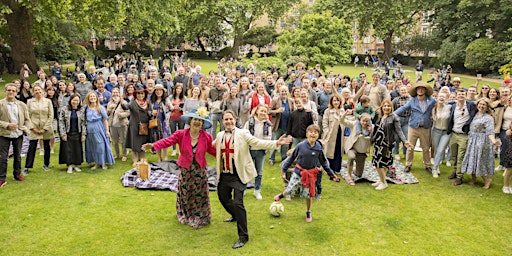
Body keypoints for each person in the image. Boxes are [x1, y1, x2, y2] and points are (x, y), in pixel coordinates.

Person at [214, 110, 291, 249]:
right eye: (226, 120)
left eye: (230, 119)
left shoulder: (243, 133)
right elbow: (212, 146)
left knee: (238, 203)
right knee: (223, 198)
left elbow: (258, 142)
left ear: (235, 119)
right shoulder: (219, 135)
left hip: (239, 174)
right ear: (222, 121)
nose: (229, 122)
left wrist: (276, 143)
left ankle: (243, 237)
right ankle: (235, 215)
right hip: (224, 174)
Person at [142, 107, 216, 229]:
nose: (197, 122)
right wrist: (153, 145)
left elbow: (213, 150)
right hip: (186, 169)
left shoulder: (206, 137)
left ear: (202, 124)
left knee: (199, 194)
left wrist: (227, 155)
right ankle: (186, 214)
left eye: (200, 121)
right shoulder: (181, 134)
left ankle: (200, 215)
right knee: (186, 192)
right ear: (189, 121)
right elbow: (167, 141)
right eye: (195, 120)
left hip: (199, 170)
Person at [274, 124, 341, 222]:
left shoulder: (318, 147)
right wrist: (283, 170)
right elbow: (291, 158)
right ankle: (281, 195)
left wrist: (332, 174)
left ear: (318, 135)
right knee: (290, 189)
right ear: (307, 134)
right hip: (298, 172)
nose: (313, 134)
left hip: (309, 175)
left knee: (309, 195)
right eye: (311, 132)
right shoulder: (300, 146)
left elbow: (324, 162)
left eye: (316, 132)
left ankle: (308, 211)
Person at [394, 82, 436, 174]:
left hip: (425, 127)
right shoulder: (412, 100)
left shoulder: (431, 100)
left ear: (425, 90)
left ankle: (427, 165)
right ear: (416, 90)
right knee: (410, 146)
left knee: (425, 148)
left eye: (422, 88)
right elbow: (403, 108)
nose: (420, 90)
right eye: (418, 89)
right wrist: (392, 115)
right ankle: (408, 164)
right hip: (413, 127)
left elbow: (442, 102)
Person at [372, 99, 412, 190]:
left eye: (388, 106)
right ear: (382, 107)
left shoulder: (394, 117)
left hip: (386, 144)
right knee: (381, 162)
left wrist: (405, 141)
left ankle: (383, 182)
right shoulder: (380, 116)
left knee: (380, 163)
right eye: (385, 106)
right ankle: (381, 179)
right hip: (378, 143)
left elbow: (399, 131)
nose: (386, 108)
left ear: (391, 107)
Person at [460, 98, 500, 188]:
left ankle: (487, 180)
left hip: (481, 142)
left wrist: (494, 141)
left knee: (479, 161)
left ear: (487, 107)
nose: (481, 106)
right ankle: (473, 178)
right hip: (472, 140)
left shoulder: (488, 118)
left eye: (484, 105)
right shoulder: (475, 114)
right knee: (472, 159)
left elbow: (490, 131)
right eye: (480, 104)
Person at [0, 83, 31, 187]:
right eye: (9, 90)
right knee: (3, 157)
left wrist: (25, 129)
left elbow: (27, 119)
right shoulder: (1, 104)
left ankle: (17, 174)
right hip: (4, 134)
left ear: (16, 92)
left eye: (13, 91)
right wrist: (7, 125)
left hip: (18, 134)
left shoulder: (22, 105)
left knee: (18, 156)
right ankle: (2, 178)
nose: (11, 92)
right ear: (5, 91)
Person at [447, 89, 477, 186]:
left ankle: (460, 177)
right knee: (453, 155)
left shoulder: (470, 105)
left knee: (461, 157)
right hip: (454, 134)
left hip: (464, 135)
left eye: (463, 94)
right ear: (456, 96)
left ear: (466, 95)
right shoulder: (454, 106)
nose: (461, 96)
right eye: (459, 94)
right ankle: (455, 172)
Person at [243, 105, 272, 200]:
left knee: (259, 172)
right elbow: (245, 135)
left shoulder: (268, 124)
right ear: (257, 111)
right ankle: (243, 189)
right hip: (250, 150)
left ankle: (257, 190)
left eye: (265, 111)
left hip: (261, 151)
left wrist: (258, 141)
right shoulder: (249, 122)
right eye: (261, 111)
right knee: (247, 170)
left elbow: (268, 138)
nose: (263, 113)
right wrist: (257, 140)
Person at [24, 85, 53, 174]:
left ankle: (46, 164)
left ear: (42, 90)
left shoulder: (48, 101)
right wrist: (32, 128)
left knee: (47, 146)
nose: (37, 91)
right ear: (33, 92)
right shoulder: (29, 102)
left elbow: (51, 115)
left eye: (39, 90)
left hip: (46, 127)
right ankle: (27, 167)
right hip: (34, 127)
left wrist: (45, 128)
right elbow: (27, 116)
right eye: (35, 90)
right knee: (32, 147)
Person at [84, 91, 115, 170]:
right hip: (90, 129)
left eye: (94, 97)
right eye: (91, 97)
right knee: (93, 146)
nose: (92, 98)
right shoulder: (86, 108)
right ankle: (96, 163)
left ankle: (103, 163)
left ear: (96, 98)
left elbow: (105, 120)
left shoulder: (100, 108)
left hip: (99, 128)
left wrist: (107, 131)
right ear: (88, 98)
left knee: (100, 146)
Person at [123, 85, 152, 166]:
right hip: (134, 126)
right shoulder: (133, 103)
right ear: (136, 95)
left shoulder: (148, 103)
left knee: (143, 143)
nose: (140, 95)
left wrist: (151, 113)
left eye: (142, 94)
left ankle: (142, 159)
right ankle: (135, 160)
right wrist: (121, 101)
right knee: (135, 143)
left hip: (144, 126)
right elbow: (125, 106)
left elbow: (150, 112)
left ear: (144, 94)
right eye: (138, 94)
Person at [340, 111, 373, 185]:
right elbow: (343, 121)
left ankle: (349, 166)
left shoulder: (371, 127)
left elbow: (373, 140)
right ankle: (349, 176)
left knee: (359, 174)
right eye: (363, 121)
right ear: (360, 120)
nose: (365, 123)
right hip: (352, 148)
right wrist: (345, 114)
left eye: (367, 121)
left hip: (362, 151)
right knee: (351, 157)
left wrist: (372, 131)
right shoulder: (355, 124)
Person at [58, 94, 86, 173]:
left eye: (77, 100)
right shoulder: (64, 109)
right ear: (70, 100)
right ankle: (69, 166)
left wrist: (83, 134)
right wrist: (63, 133)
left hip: (78, 132)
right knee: (68, 150)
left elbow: (83, 122)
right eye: (74, 100)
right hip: (68, 132)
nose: (75, 102)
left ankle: (77, 165)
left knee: (77, 149)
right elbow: (61, 122)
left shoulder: (81, 110)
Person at [268, 85, 294, 166]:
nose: (284, 93)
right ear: (279, 92)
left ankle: (284, 158)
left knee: (285, 144)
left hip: (287, 126)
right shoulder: (275, 100)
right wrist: (277, 111)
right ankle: (271, 158)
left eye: (285, 91)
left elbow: (292, 112)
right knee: (275, 142)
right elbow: (268, 111)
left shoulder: (290, 101)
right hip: (277, 126)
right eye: (282, 91)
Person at [321, 94, 345, 174]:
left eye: (337, 100)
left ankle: (337, 168)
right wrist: (327, 132)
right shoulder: (328, 111)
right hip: (330, 134)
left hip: (340, 134)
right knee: (329, 151)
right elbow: (324, 123)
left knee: (338, 150)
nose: (336, 102)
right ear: (331, 102)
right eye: (334, 100)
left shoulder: (342, 110)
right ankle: (328, 168)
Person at [431, 92, 452, 177]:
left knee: (441, 149)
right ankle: (437, 165)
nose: (441, 98)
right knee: (436, 150)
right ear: (437, 98)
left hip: (446, 132)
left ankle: (434, 169)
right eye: (440, 96)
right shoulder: (433, 108)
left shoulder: (449, 107)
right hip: (436, 131)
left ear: (446, 99)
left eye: (443, 97)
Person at [106, 88, 129, 162]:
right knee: (115, 141)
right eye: (113, 92)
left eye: (116, 92)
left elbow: (128, 112)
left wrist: (121, 115)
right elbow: (107, 114)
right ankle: (117, 154)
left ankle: (124, 155)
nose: (115, 94)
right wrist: (109, 109)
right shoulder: (110, 103)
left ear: (119, 93)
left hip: (122, 124)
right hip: (112, 124)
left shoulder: (123, 102)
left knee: (123, 140)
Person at [150, 84, 171, 161]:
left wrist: (169, 108)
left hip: (164, 122)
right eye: (157, 90)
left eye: (160, 90)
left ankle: (165, 156)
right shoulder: (152, 100)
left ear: (163, 91)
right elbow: (149, 110)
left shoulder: (166, 99)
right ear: (155, 92)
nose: (159, 92)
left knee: (164, 139)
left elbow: (171, 108)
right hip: (155, 122)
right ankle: (159, 157)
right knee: (157, 140)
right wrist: (152, 112)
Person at [168, 83, 186, 156]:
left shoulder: (184, 98)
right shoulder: (170, 97)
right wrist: (172, 108)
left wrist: (181, 108)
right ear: (175, 89)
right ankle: (174, 149)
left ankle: (180, 150)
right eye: (177, 88)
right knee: (173, 134)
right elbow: (167, 106)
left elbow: (186, 108)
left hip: (181, 117)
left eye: (180, 89)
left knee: (181, 134)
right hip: (172, 117)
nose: (178, 90)